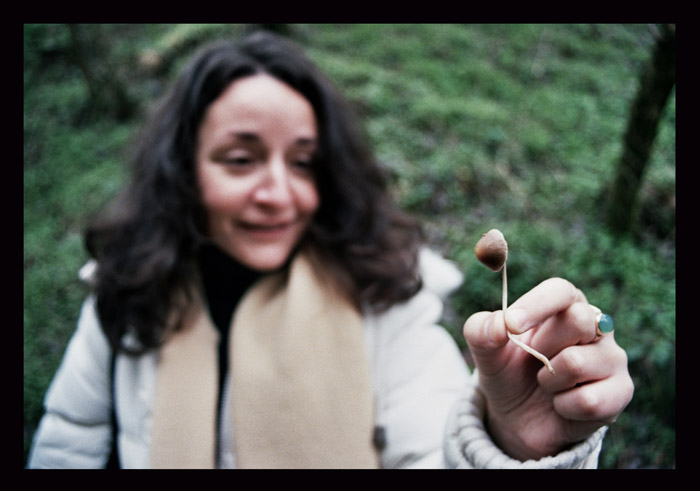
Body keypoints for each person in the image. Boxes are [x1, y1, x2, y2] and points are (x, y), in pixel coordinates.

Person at [27, 30, 633, 469]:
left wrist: (509, 446)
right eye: (240, 159)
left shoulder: (387, 296)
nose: (279, 193)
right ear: (184, 168)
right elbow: (66, 448)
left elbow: (431, 450)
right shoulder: (125, 294)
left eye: (303, 162)